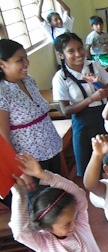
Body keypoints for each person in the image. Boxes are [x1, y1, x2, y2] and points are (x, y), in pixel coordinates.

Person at [10, 153, 108, 252]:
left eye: (75, 218)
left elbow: (77, 192)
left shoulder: (81, 224)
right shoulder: (45, 243)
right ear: (46, 227)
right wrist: (20, 195)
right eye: (66, 224)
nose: (74, 224)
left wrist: (43, 175)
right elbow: (20, 232)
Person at [0, 39, 62, 201]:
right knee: (44, 204)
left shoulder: (29, 80)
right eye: (19, 60)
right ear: (2, 64)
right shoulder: (2, 93)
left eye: (26, 57)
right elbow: (4, 139)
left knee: (60, 195)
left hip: (51, 148)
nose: (26, 63)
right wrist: (22, 171)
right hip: (31, 162)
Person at [52, 33, 108, 177]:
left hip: (103, 116)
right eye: (71, 51)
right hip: (82, 123)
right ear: (61, 55)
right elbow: (65, 110)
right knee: (89, 165)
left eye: (80, 48)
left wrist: (97, 83)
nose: (78, 54)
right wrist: (91, 99)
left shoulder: (93, 66)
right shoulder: (61, 77)